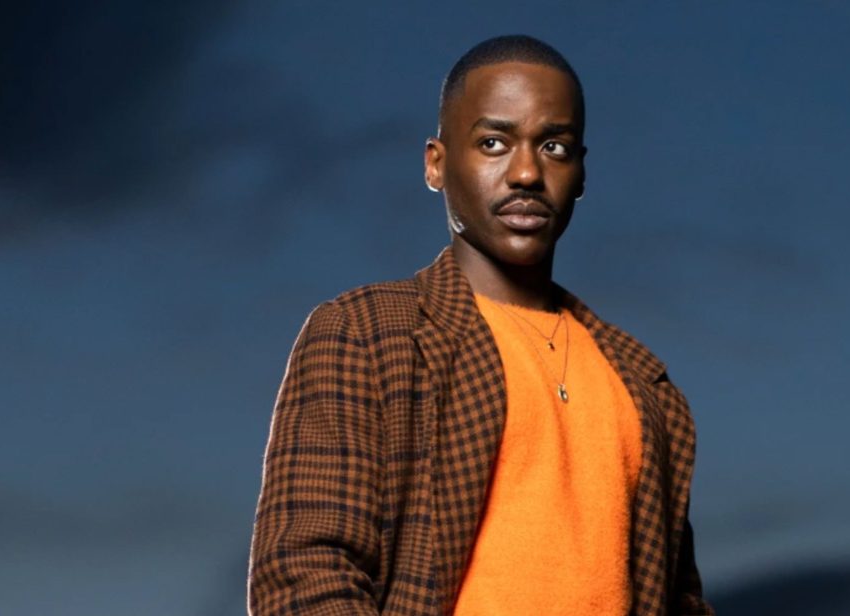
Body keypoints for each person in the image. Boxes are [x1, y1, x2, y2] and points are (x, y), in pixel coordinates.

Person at [248, 34, 712, 615]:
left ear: (581, 173)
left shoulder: (645, 386)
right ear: (436, 163)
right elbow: (303, 579)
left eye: (555, 147)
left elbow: (682, 601)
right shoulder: (366, 335)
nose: (527, 173)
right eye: (494, 142)